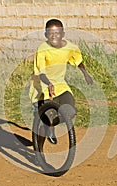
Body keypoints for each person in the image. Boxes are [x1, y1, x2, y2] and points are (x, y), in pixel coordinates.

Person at [29, 19, 93, 149]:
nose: (54, 36)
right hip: (42, 87)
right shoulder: (42, 50)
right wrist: (49, 84)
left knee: (70, 111)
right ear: (45, 35)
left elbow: (77, 61)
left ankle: (51, 124)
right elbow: (40, 73)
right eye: (50, 33)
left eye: (57, 33)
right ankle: (39, 151)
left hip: (60, 86)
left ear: (63, 34)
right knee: (44, 118)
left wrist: (85, 73)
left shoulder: (69, 48)